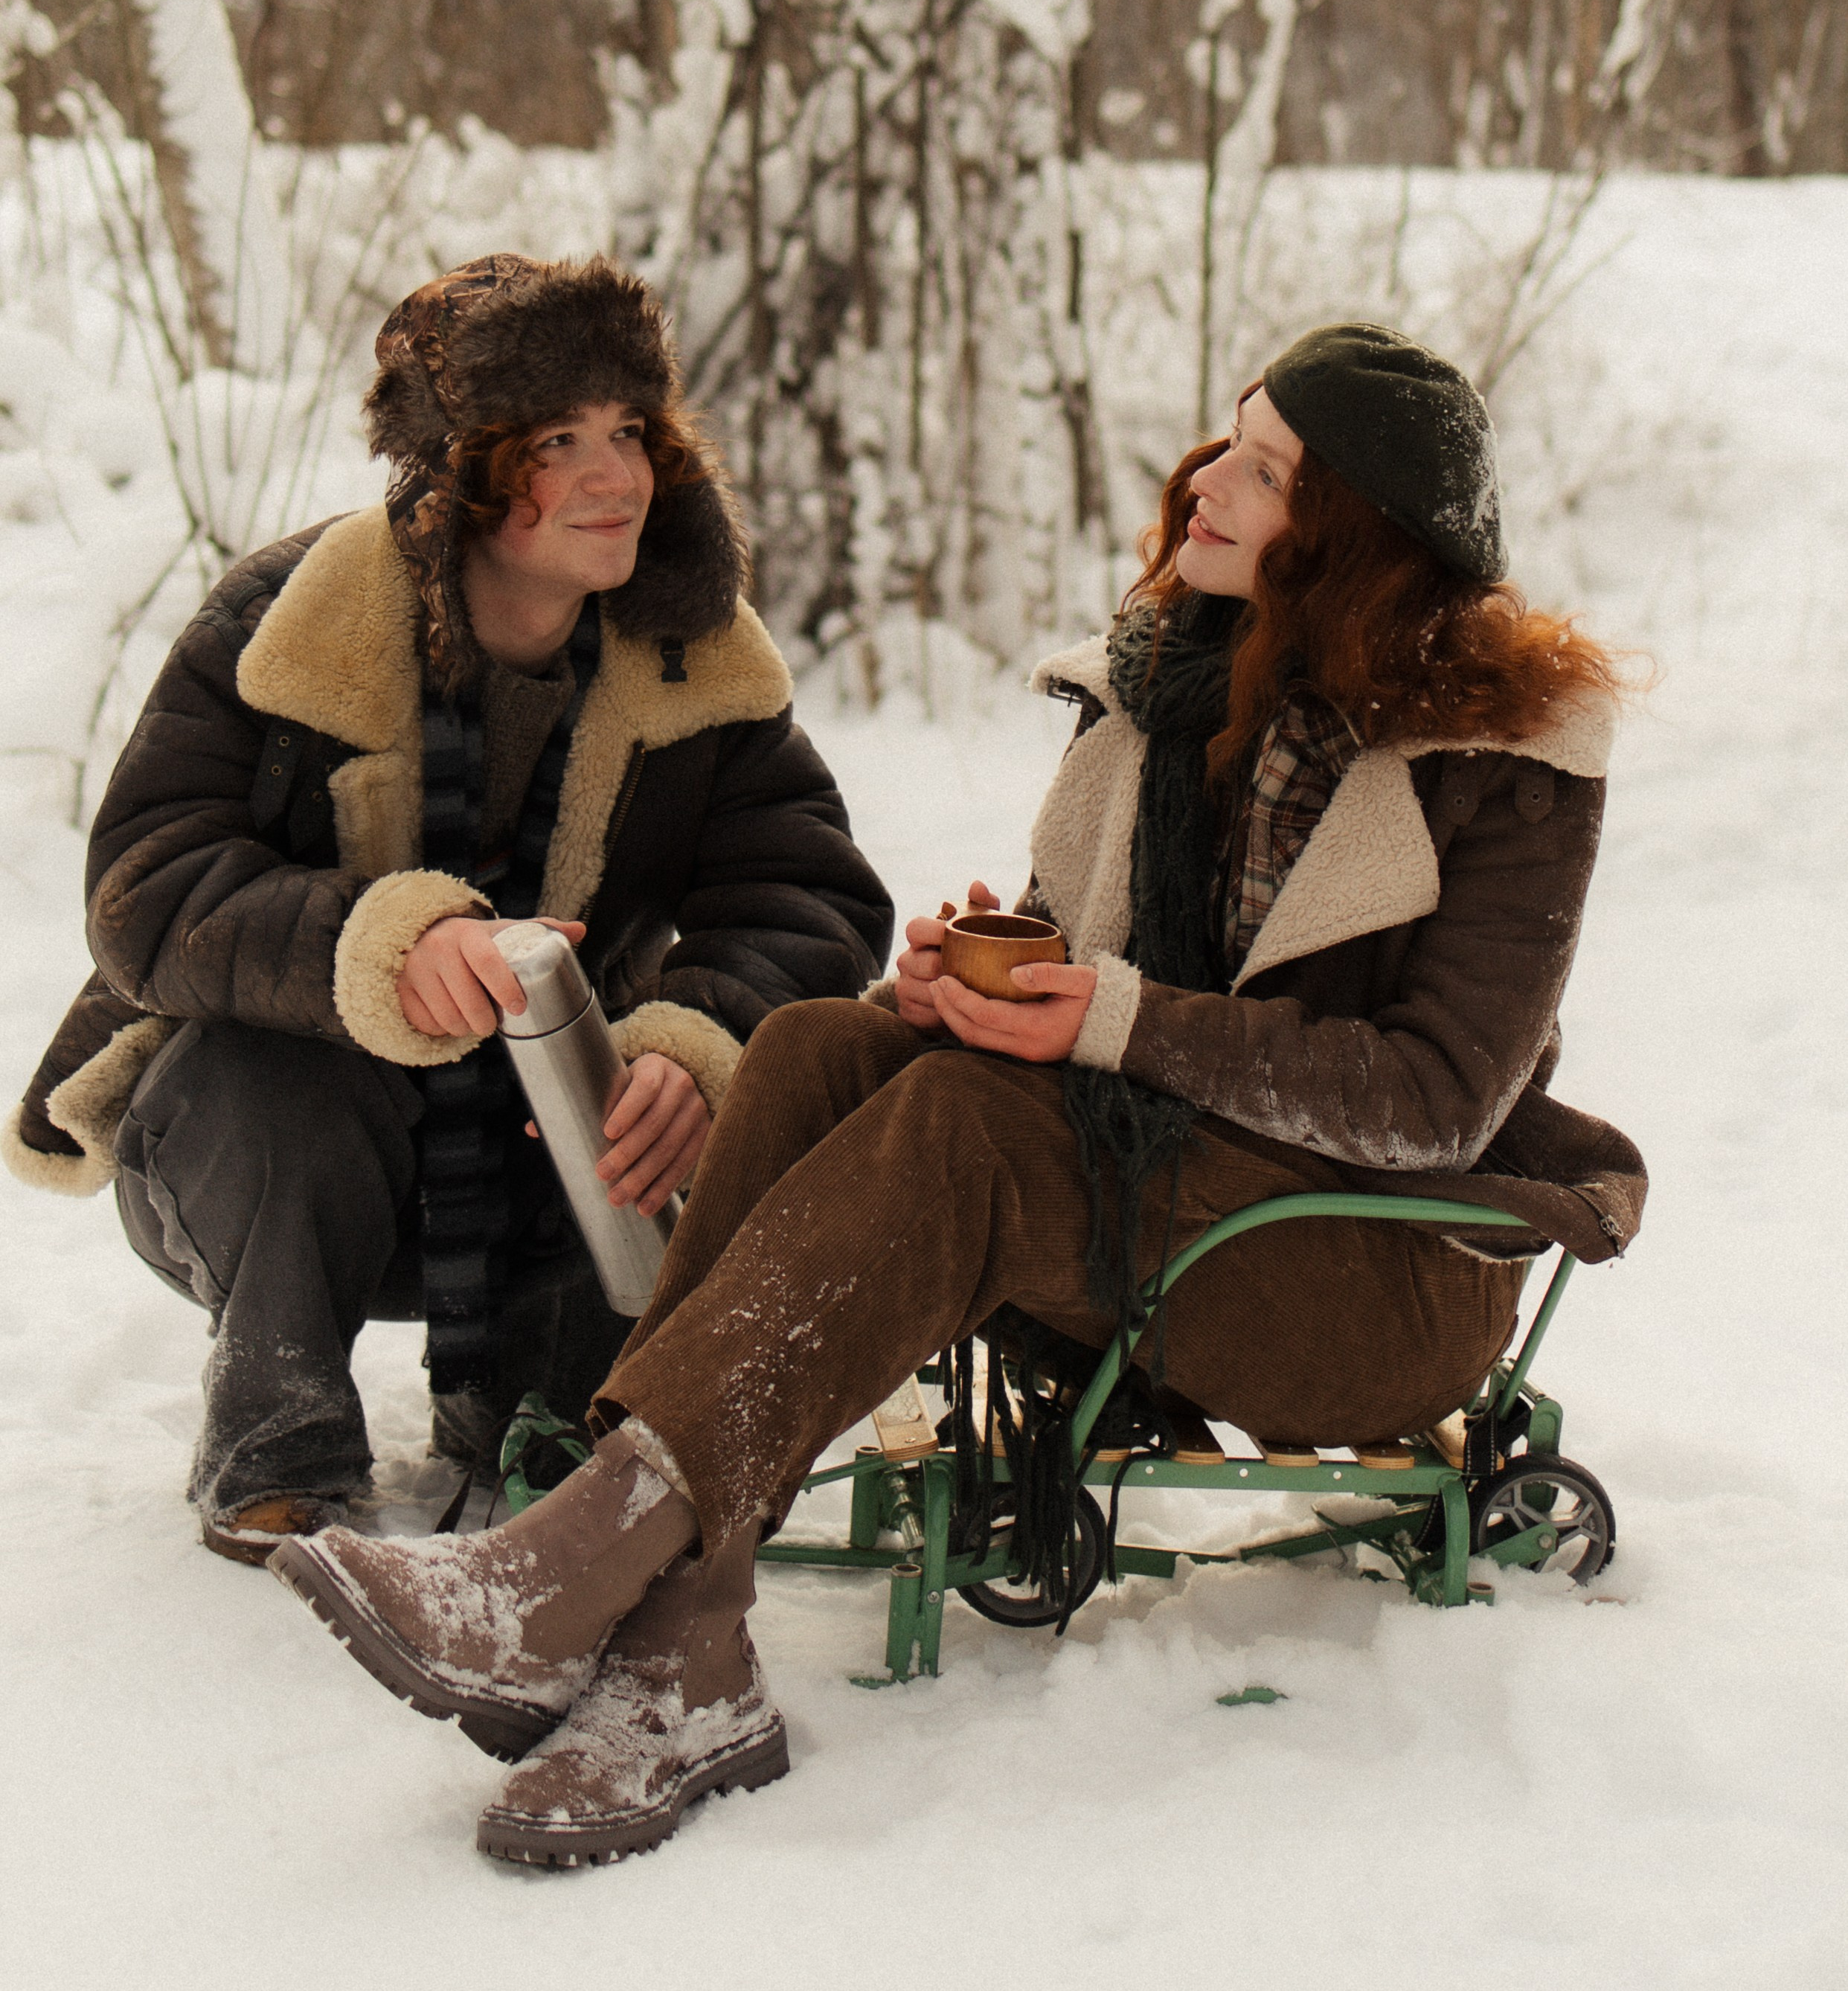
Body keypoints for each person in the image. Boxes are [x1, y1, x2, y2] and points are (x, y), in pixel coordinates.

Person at [266, 320, 1646, 1870]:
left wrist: (1104, 1018)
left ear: (1355, 545)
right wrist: (951, 998)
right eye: (1228, 440)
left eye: (1267, 473)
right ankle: (679, 1652)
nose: (1210, 482)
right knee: (816, 1053)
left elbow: (1437, 1103)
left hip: (1369, 1273)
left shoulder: (1506, 756)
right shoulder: (1165, 693)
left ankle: (563, 1573)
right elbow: (1087, 996)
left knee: (974, 1126)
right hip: (1160, 1204)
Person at [3, 253, 892, 1559]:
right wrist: (383, 947)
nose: (614, 476)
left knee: (641, 1166)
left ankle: (539, 1404)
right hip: (267, 1164)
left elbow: (805, 887)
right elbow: (147, 881)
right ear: (457, 468)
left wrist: (697, 1044)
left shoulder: (692, 650)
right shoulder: (286, 618)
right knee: (278, 1083)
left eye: (631, 433)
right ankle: (279, 1440)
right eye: (557, 439)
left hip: (555, 1149)